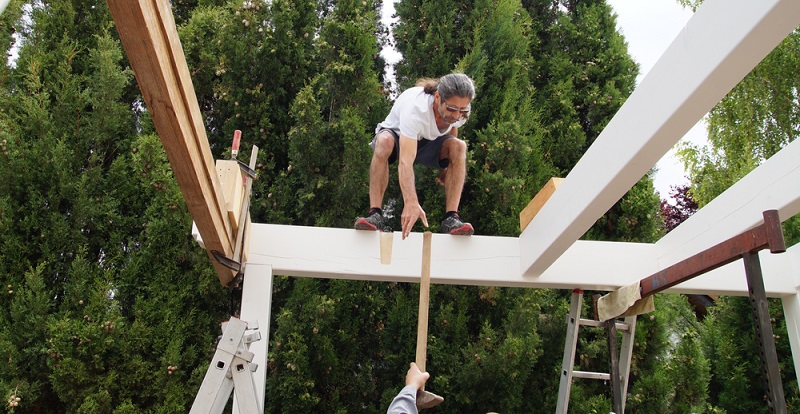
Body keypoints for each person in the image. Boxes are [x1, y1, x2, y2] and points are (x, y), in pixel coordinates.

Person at [354, 73, 476, 239]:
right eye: (452, 109)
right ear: (438, 97)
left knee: (459, 147)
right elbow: (405, 162)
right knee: (383, 142)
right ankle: (374, 214)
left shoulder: (459, 110)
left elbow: (452, 129)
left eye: (462, 110)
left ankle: (451, 218)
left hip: (427, 142)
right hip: (398, 137)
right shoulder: (416, 110)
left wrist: (445, 165)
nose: (456, 115)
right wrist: (410, 201)